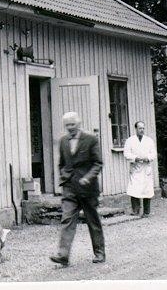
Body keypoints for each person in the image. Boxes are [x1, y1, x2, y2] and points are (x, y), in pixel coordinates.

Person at [49, 111, 106, 265]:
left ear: (79, 123)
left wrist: (88, 177)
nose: (70, 127)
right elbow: (62, 164)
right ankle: (63, 255)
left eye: (72, 124)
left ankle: (99, 253)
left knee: (92, 221)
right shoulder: (63, 141)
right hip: (70, 188)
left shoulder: (91, 139)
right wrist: (64, 177)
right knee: (67, 219)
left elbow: (98, 163)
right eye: (67, 125)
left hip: (88, 189)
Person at [123, 121, 157, 217]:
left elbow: (153, 153)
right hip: (136, 168)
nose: (142, 130)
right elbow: (126, 154)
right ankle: (135, 210)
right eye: (140, 128)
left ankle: (146, 212)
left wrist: (148, 158)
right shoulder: (130, 140)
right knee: (134, 189)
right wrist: (135, 158)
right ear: (136, 129)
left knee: (147, 190)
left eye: (143, 128)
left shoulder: (149, 140)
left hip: (146, 168)